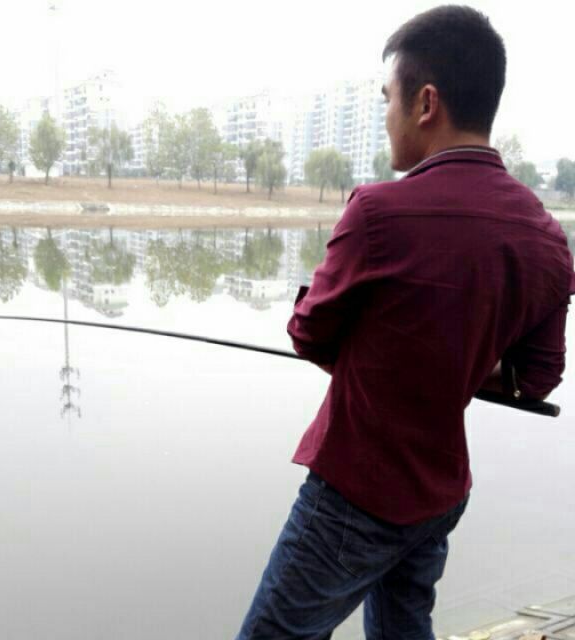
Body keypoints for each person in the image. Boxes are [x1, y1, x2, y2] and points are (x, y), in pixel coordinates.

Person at [235, 5, 575, 640]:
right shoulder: (548, 240)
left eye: (388, 98)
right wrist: (459, 361)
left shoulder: (378, 214)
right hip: (440, 494)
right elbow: (536, 378)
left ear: (425, 103)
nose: (386, 115)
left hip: (355, 494)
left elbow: (309, 332)